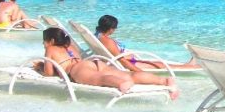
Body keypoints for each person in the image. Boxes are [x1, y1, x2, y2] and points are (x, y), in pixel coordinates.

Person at [36, 27, 178, 98]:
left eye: (44, 41)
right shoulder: (70, 47)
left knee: (100, 79)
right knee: (128, 74)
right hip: (94, 63)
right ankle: (164, 81)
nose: (43, 44)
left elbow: (48, 74)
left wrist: (41, 67)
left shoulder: (50, 50)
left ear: (52, 41)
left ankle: (120, 84)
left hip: (77, 70)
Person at [95, 15, 199, 71]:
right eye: (115, 27)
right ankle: (191, 67)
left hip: (130, 60)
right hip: (130, 64)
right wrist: (139, 72)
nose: (115, 29)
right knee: (161, 65)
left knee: (159, 63)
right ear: (110, 29)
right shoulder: (107, 41)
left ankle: (188, 65)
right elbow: (122, 61)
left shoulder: (98, 35)